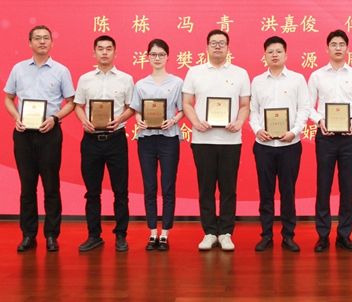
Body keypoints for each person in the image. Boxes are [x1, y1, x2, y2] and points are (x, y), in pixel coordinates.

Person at [3, 25, 75, 252]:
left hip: (49, 134)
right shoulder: (18, 69)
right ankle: (28, 235)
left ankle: (52, 235)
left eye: (46, 38)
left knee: (51, 187)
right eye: (37, 38)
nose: (42, 41)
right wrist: (16, 117)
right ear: (30, 42)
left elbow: (71, 103)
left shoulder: (61, 71)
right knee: (27, 188)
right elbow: (8, 98)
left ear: (52, 42)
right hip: (24, 134)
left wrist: (55, 118)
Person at [182, 29, 250, 251]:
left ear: (228, 48)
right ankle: (210, 232)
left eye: (222, 43)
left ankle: (227, 233)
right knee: (206, 188)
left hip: (231, 140)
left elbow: (245, 105)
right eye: (213, 43)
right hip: (203, 140)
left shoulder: (240, 73)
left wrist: (239, 122)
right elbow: (187, 103)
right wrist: (195, 122)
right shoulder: (194, 72)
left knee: (229, 188)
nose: (218, 46)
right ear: (207, 47)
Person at [307, 30, 352, 252]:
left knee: (347, 186)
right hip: (326, 136)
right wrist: (320, 120)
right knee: (323, 186)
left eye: (342, 44)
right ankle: (323, 235)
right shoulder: (317, 76)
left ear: (347, 48)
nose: (338, 48)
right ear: (327, 48)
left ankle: (344, 235)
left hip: (349, 136)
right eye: (334, 44)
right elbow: (307, 106)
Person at [249, 36, 311, 253]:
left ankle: (288, 235)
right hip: (264, 145)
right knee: (265, 193)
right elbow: (253, 110)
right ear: (265, 55)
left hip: (290, 145)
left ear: (286, 54)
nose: (274, 55)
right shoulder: (257, 81)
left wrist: (294, 131)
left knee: (288, 192)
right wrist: (258, 129)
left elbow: (305, 108)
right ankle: (266, 235)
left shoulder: (297, 79)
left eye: (278, 51)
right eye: (270, 52)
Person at [73, 35, 135, 252]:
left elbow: (132, 107)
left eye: (109, 49)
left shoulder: (126, 79)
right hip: (90, 141)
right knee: (92, 192)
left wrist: (120, 119)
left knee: (121, 191)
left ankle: (121, 235)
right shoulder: (85, 79)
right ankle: (94, 235)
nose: (105, 52)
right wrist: (84, 121)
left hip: (116, 140)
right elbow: (78, 105)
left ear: (115, 52)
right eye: (100, 49)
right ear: (94, 53)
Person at [130, 39, 184, 252]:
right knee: (150, 186)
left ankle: (165, 233)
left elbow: (183, 109)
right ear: (148, 57)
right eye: (153, 54)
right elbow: (137, 111)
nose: (157, 58)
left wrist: (174, 120)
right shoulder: (141, 84)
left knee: (168, 186)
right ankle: (152, 232)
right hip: (146, 139)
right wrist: (139, 121)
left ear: (168, 57)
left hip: (169, 138)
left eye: (161, 54)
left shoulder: (177, 82)